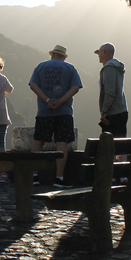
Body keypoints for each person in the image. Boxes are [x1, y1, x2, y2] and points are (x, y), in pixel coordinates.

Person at [29, 44, 83, 187]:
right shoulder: (70, 68)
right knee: (61, 143)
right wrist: (60, 102)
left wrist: (47, 99)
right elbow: (75, 87)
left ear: (52, 54)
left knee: (38, 141)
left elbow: (33, 85)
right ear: (63, 57)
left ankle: (35, 176)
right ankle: (59, 177)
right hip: (64, 111)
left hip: (44, 111)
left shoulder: (40, 66)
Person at [95, 42, 128, 138]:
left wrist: (104, 111)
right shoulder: (115, 66)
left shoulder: (109, 68)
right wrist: (100, 52)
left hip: (113, 113)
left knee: (110, 145)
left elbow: (110, 92)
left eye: (100, 52)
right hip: (120, 110)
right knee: (120, 144)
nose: (98, 55)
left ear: (104, 52)